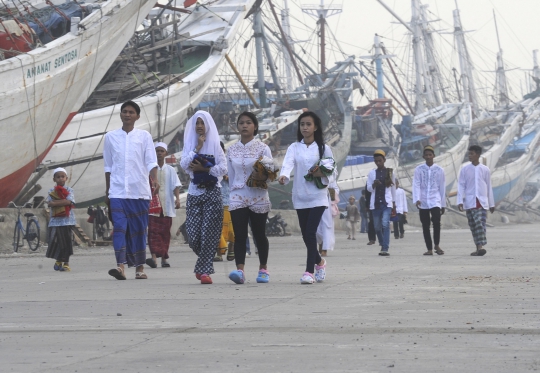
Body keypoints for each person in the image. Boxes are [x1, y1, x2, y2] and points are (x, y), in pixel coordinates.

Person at [104, 100, 159, 280]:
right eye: (124, 111)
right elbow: (108, 167)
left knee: (139, 230)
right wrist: (108, 191)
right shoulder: (110, 137)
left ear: (137, 116)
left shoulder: (144, 137)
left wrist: (155, 179)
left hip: (139, 191)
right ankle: (120, 266)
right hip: (117, 192)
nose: (127, 114)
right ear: (120, 114)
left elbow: (151, 161)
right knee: (119, 228)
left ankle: (139, 268)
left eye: (131, 112)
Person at [279, 111, 334, 284]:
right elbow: (287, 164)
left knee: (310, 232)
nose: (305, 127)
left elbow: (331, 170)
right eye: (302, 124)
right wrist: (284, 176)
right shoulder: (294, 147)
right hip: (300, 196)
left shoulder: (324, 148)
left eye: (308, 124)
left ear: (315, 127)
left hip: (318, 196)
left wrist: (321, 174)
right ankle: (320, 262)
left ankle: (309, 272)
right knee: (306, 235)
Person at [227, 112, 277, 284]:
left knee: (259, 234)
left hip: (258, 195)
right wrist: (233, 193)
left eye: (248, 122)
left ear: (255, 126)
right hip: (237, 195)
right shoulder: (231, 149)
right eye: (241, 123)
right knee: (240, 234)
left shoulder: (263, 148)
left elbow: (271, 174)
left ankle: (263, 269)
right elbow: (231, 175)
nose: (244, 125)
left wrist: (262, 176)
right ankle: (240, 271)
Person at [180, 110, 227, 284]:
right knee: (193, 236)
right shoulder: (190, 144)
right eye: (197, 123)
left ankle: (205, 271)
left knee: (209, 233)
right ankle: (205, 264)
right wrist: (197, 148)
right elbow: (184, 165)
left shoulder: (215, 144)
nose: (199, 126)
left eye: (202, 123)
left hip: (212, 191)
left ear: (208, 125)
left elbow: (223, 168)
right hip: (194, 192)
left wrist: (205, 169)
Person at [146, 142, 182, 268]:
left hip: (167, 206)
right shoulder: (149, 170)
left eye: (162, 151)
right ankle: (154, 258)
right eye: (157, 151)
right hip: (153, 206)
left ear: (166, 153)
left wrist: (177, 199)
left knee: (165, 233)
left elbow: (176, 185)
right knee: (153, 232)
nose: (159, 153)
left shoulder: (170, 170)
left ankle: (164, 258)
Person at [457, 145, 495, 256]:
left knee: (480, 223)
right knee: (473, 225)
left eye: (472, 154)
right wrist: (460, 201)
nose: (470, 156)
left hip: (482, 202)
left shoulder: (485, 169)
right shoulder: (465, 170)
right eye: (469, 154)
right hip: (470, 202)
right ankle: (478, 248)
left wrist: (491, 203)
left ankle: (480, 246)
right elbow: (461, 186)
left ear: (478, 155)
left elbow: (489, 187)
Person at [413, 145, 446, 255]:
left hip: (435, 200)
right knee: (425, 225)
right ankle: (429, 249)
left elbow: (442, 187)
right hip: (423, 201)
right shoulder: (419, 169)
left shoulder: (440, 170)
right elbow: (416, 184)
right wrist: (417, 199)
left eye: (430, 155)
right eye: (426, 155)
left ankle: (437, 244)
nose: (428, 157)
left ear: (433, 156)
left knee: (436, 222)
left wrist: (443, 203)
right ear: (423, 156)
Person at [367, 149, 396, 256]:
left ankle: (385, 247)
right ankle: (382, 242)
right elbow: (369, 189)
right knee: (377, 227)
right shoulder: (371, 173)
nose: (378, 163)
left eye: (380, 160)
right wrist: (374, 185)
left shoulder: (390, 172)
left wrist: (394, 202)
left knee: (385, 224)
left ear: (384, 160)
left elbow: (393, 189)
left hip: (386, 202)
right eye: (376, 161)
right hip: (375, 204)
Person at [46, 167, 75, 272]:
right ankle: (58, 259)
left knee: (67, 242)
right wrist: (63, 201)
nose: (60, 179)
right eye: (58, 177)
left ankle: (66, 263)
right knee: (56, 242)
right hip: (56, 222)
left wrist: (56, 203)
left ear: (66, 178)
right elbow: (50, 203)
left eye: (62, 176)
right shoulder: (51, 191)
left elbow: (69, 202)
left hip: (67, 221)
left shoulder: (70, 190)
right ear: (54, 179)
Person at [215, 141, 235, 262]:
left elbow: (237, 177)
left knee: (231, 229)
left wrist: (228, 177)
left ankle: (231, 248)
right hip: (215, 199)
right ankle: (219, 252)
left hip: (229, 199)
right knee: (217, 228)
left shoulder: (229, 162)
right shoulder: (211, 163)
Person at [317, 170, 340, 257]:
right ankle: (321, 242)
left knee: (327, 225)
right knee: (315, 227)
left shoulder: (331, 178)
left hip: (327, 204)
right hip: (315, 202)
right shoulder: (314, 176)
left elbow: (336, 189)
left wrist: (332, 192)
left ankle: (324, 248)